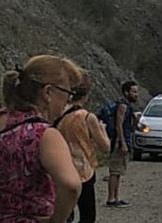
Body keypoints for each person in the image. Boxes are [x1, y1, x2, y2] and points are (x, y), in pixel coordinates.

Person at [0, 55, 83, 222]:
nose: (68, 101)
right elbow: (70, 186)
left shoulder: (2, 121)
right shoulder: (43, 134)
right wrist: (56, 220)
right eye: (68, 93)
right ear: (48, 92)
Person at [55, 72, 110, 222]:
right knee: (87, 215)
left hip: (62, 168)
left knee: (65, 214)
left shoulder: (58, 112)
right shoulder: (87, 117)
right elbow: (105, 147)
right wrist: (102, 129)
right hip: (83, 170)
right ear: (86, 95)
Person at [106, 81, 138, 208]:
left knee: (119, 171)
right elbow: (118, 125)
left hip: (123, 140)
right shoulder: (123, 106)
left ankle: (116, 197)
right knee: (115, 171)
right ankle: (111, 199)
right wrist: (122, 142)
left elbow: (129, 127)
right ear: (126, 92)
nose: (136, 95)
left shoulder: (128, 106)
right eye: (134, 92)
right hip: (118, 143)